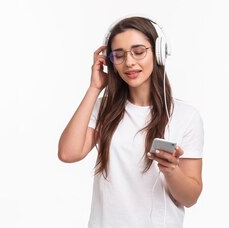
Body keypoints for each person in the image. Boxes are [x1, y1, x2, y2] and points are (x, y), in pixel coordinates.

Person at [58, 16, 204, 228]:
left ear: (159, 53)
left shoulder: (186, 115)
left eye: (138, 52)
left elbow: (190, 198)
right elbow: (67, 153)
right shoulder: (102, 109)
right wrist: (95, 87)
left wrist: (172, 171)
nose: (129, 62)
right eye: (119, 55)